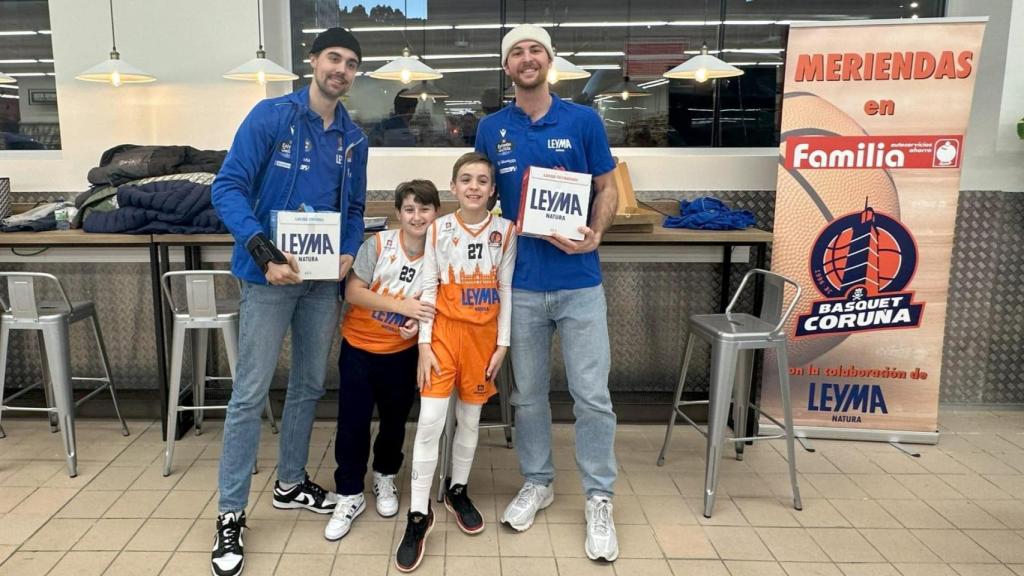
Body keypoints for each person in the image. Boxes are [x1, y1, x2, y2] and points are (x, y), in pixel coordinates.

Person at [209, 27, 368, 576]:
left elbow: (353, 211)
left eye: (350, 63)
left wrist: (348, 252)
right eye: (333, 58)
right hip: (267, 277)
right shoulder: (271, 117)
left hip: (322, 281)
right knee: (250, 393)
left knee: (307, 385)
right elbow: (226, 187)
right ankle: (230, 513)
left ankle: (291, 482)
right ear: (313, 61)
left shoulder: (354, 139)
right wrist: (262, 250)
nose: (340, 70)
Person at [473, 24, 621, 562]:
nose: (527, 58)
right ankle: (539, 481)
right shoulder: (492, 128)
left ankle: (599, 496)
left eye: (535, 49)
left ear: (549, 60)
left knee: (592, 396)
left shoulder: (583, 120)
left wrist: (596, 233)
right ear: (507, 67)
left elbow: (608, 187)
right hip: (521, 286)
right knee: (528, 395)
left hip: (579, 283)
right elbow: (482, 193)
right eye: (517, 51)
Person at [394, 152, 517, 573]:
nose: (474, 187)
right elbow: (428, 284)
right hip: (443, 338)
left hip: (483, 342)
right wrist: (424, 344)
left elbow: (506, 288)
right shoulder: (438, 229)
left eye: (483, 180)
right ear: (453, 187)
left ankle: (456, 489)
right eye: (466, 179)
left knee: (469, 421)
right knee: (430, 422)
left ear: (492, 190)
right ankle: (418, 514)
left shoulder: (506, 231)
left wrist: (503, 344)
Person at [325, 180, 440, 541]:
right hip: (359, 348)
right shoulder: (377, 244)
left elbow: (441, 303)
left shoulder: (442, 252)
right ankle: (349, 493)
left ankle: (385, 476)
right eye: (409, 209)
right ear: (398, 213)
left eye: (424, 209)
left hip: (401, 355)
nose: (417, 216)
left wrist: (417, 324)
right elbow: (353, 292)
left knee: (394, 422)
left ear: (437, 213)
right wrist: (400, 306)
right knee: (353, 423)